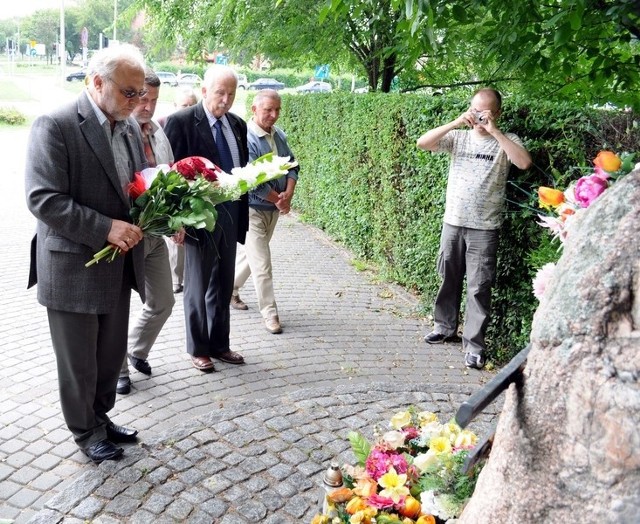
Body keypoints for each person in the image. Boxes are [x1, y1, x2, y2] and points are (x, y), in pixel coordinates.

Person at [25, 44, 148, 463]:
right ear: (97, 82)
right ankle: (85, 432)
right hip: (73, 265)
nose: (139, 102)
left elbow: (133, 185)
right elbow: (44, 199)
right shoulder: (55, 124)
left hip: (118, 264)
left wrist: (160, 210)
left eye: (141, 93)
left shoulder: (129, 127)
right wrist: (106, 228)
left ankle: (101, 417)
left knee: (109, 356)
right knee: (79, 362)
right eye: (130, 93)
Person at [416, 88, 532, 370]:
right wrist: (456, 121)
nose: (479, 116)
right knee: (448, 277)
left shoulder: (507, 141)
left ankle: (475, 346)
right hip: (453, 221)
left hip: (485, 227)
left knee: (480, 286)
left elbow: (524, 163)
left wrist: (495, 132)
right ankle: (444, 327)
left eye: (486, 112)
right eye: (475, 110)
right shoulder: (458, 138)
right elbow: (423, 143)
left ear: (497, 113)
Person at [164, 65, 249, 372]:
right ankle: (198, 348)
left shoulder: (238, 124)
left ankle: (219, 344)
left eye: (231, 94)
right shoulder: (181, 122)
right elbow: (169, 174)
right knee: (197, 285)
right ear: (204, 91)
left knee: (224, 283)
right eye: (220, 93)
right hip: (198, 217)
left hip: (231, 212)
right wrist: (177, 220)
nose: (226, 100)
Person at [116, 68, 175, 395]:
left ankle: (135, 350)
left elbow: (171, 176)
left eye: (153, 99)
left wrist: (176, 221)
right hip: (125, 236)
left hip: (154, 233)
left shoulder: (158, 132)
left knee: (163, 301)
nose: (148, 105)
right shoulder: (119, 132)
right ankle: (119, 370)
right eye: (142, 97)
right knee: (119, 307)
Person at [231, 90, 299, 334]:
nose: (274, 114)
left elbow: (293, 165)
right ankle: (270, 314)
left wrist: (287, 194)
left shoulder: (278, 134)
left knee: (252, 257)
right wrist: (280, 201)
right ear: (254, 109)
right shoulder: (247, 138)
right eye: (268, 109)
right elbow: (253, 182)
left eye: (277, 110)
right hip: (252, 210)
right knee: (262, 263)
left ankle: (229, 289)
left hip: (272, 208)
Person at [159, 87, 199, 294]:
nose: (188, 109)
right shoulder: (166, 126)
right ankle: (175, 278)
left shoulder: (200, 128)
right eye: (184, 105)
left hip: (195, 187)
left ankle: (185, 274)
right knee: (174, 235)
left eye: (192, 105)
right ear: (175, 107)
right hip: (175, 185)